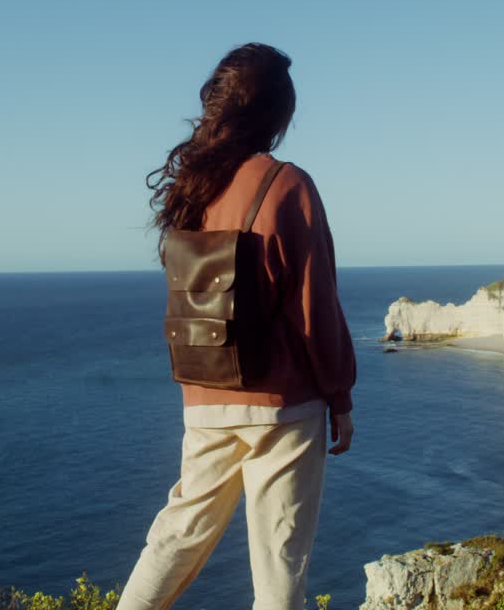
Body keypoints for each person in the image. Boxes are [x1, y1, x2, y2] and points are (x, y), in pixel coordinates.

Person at [119, 43, 356, 610]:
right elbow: (314, 305)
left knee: (177, 535)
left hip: (207, 391)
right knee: (279, 567)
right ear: (275, 114)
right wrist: (340, 395)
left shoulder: (191, 189)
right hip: (283, 406)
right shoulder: (287, 185)